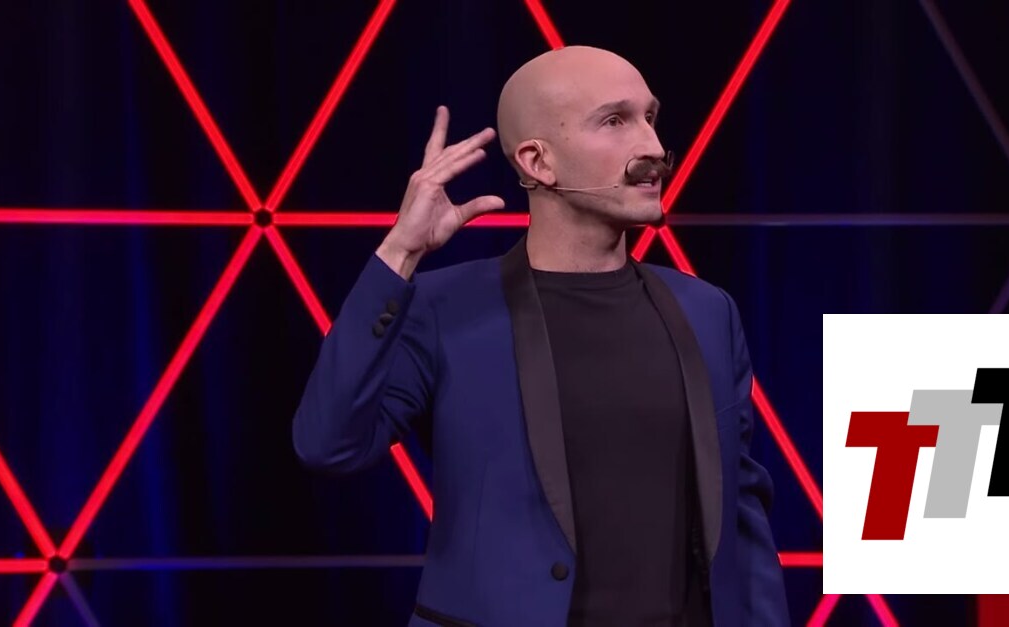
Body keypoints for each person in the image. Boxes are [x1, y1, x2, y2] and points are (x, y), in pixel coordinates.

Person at [293, 45, 788, 627]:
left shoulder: (707, 310)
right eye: (615, 121)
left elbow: (740, 510)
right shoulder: (445, 309)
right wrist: (399, 253)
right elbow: (329, 444)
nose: (654, 148)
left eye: (650, 118)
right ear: (538, 162)